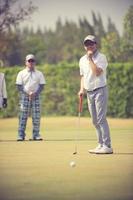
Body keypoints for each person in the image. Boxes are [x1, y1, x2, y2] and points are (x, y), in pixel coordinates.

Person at [78, 35, 113, 154]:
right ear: (84, 46)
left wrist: (91, 59)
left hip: (100, 90)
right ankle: (100, 144)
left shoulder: (101, 57)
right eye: (87, 44)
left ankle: (107, 146)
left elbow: (97, 72)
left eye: (91, 43)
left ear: (95, 44)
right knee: (94, 120)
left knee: (101, 118)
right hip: (89, 92)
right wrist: (81, 89)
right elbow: (83, 76)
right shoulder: (82, 60)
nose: (89, 46)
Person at [16, 54, 46, 141]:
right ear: (26, 62)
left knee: (36, 117)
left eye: (32, 61)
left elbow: (42, 85)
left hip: (36, 96)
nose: (31, 63)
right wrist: (28, 93)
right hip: (24, 96)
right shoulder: (21, 73)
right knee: (23, 116)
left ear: (35, 62)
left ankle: (36, 135)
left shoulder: (39, 73)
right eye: (29, 61)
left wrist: (34, 93)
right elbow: (19, 86)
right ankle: (21, 135)